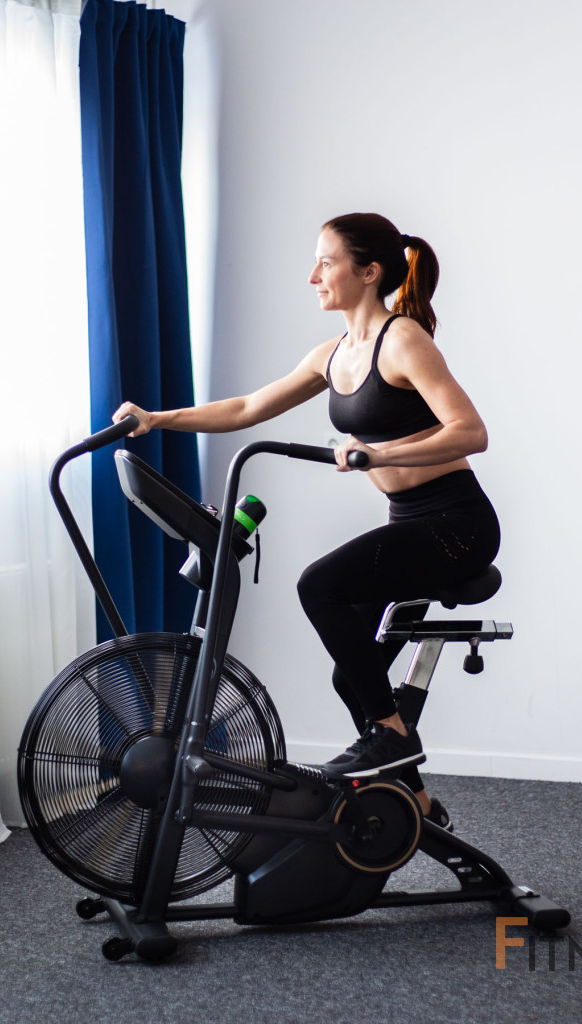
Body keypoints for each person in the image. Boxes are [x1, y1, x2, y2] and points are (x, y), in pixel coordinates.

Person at [112, 212, 500, 829]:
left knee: (320, 585)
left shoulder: (403, 340)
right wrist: (158, 419)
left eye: (327, 262)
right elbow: (246, 408)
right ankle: (419, 801)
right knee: (353, 677)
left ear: (368, 272)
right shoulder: (333, 355)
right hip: (410, 521)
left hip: (456, 525)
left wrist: (380, 454)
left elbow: (470, 431)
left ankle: (392, 736)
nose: (313, 275)